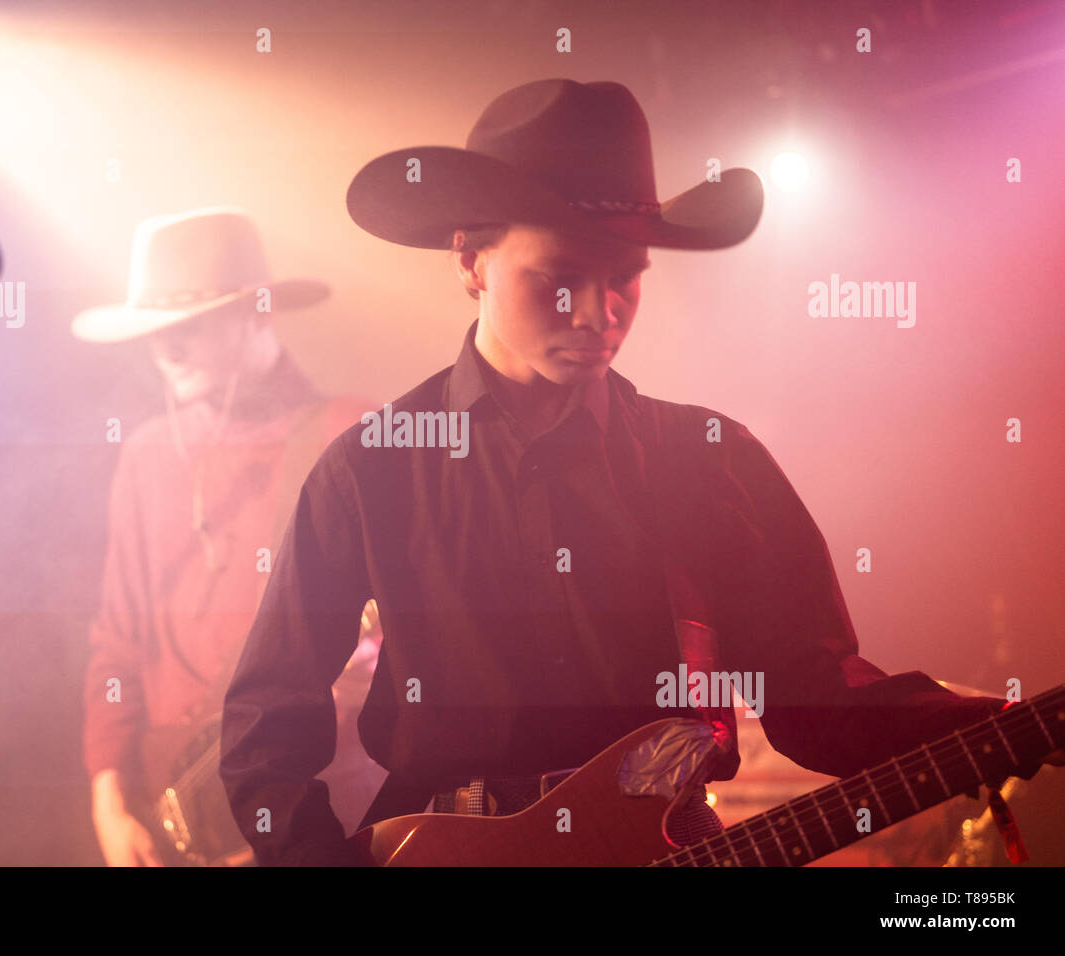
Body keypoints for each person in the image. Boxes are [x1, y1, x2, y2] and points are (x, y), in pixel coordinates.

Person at [218, 80, 1058, 866]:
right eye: (560, 280)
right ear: (468, 258)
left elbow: (813, 701)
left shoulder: (709, 458)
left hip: (675, 840)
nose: (600, 313)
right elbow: (265, 724)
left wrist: (1004, 728)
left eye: (626, 278)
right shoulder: (372, 466)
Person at [76, 207, 383, 866]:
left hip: (318, 818)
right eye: (157, 331)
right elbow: (116, 643)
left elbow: (402, 650)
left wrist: (281, 817)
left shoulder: (348, 434)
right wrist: (108, 798)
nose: (168, 348)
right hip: (173, 831)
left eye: (191, 324)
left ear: (260, 314)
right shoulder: (146, 456)